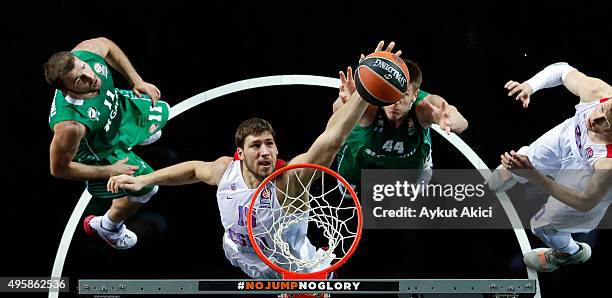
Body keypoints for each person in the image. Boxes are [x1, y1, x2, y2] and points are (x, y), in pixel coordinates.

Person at [104, 41, 394, 278]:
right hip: (242, 255)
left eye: (270, 144)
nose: (265, 151)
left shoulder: (290, 181)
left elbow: (331, 141)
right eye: (256, 146)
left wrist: (364, 94)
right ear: (240, 154)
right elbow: (192, 169)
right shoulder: (225, 171)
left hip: (296, 271)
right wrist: (143, 178)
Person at [45, 37, 170, 250]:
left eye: (84, 67)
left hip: (116, 109)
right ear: (66, 91)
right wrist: (110, 170)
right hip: (101, 152)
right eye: (78, 81)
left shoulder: (85, 54)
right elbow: (58, 169)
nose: (90, 77)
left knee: (161, 107)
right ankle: (108, 226)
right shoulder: (70, 125)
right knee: (146, 188)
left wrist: (136, 81)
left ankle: (132, 136)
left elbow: (107, 45)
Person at [488, 62, 612, 272]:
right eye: (601, 110)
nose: (594, 119)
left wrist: (534, 175)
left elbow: (584, 203)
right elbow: (562, 70)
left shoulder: (608, 164)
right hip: (569, 134)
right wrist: (530, 85)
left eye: (605, 123)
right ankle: (516, 173)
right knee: (524, 157)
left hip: (587, 176)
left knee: (543, 227)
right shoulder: (597, 92)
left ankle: (569, 253)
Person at [333, 41, 468, 195]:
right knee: (350, 196)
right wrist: (346, 104)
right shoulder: (371, 103)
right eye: (392, 93)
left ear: (414, 95)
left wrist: (450, 120)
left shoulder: (423, 107)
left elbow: (461, 121)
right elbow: (336, 119)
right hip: (361, 163)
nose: (395, 102)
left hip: (409, 167)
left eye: (403, 95)